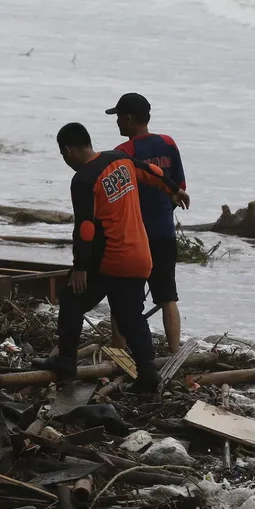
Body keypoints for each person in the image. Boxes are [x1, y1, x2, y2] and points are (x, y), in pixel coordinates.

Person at [34, 123, 189, 393]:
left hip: (110, 258)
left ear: (68, 150)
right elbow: (151, 172)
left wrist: (80, 268)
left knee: (71, 299)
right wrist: (174, 189)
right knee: (131, 316)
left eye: (63, 154)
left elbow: (85, 229)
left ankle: (66, 361)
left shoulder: (83, 179)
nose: (65, 160)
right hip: (140, 256)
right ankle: (148, 374)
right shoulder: (118, 159)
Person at [105, 93, 187, 354]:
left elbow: (116, 199)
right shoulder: (168, 143)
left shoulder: (122, 153)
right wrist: (162, 210)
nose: (117, 122)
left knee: (123, 299)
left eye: (118, 117)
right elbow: (179, 188)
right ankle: (174, 352)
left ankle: (119, 354)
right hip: (164, 232)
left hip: (134, 238)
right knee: (168, 297)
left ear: (129, 118)